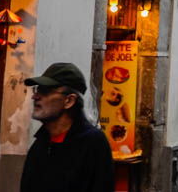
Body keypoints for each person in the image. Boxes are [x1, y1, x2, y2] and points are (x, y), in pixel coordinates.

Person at [21, 62, 114, 192]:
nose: (35, 96)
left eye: (45, 91)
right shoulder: (41, 142)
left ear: (69, 101)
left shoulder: (92, 143)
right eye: (37, 90)